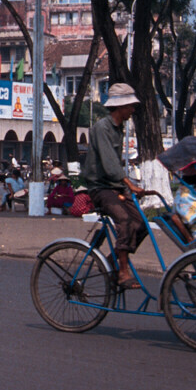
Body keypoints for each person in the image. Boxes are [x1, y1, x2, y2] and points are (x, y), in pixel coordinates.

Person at [81, 83, 146, 288]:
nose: (132, 110)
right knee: (125, 221)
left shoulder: (119, 129)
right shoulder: (102, 128)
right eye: (130, 106)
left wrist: (129, 186)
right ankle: (123, 273)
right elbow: (111, 166)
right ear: (120, 107)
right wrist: (130, 184)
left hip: (114, 187)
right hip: (100, 187)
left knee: (141, 224)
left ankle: (111, 261)